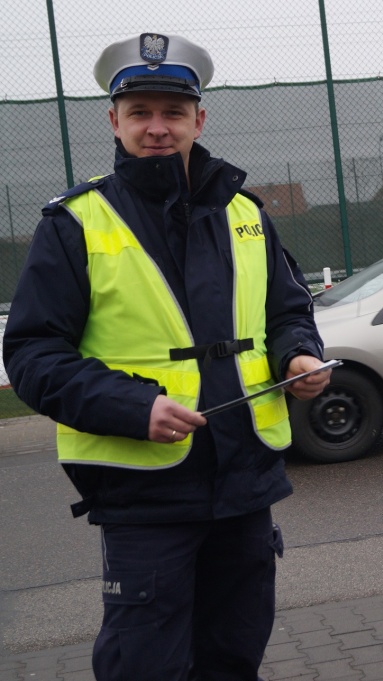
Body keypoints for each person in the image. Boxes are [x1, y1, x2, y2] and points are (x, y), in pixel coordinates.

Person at [2, 33, 329, 680]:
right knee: (144, 668)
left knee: (233, 659)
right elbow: (33, 355)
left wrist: (299, 357)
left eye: (173, 113)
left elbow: (287, 312)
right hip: (145, 497)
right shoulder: (75, 223)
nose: (157, 128)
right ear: (114, 121)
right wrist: (133, 405)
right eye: (141, 113)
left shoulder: (245, 215)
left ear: (198, 119)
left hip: (244, 491)